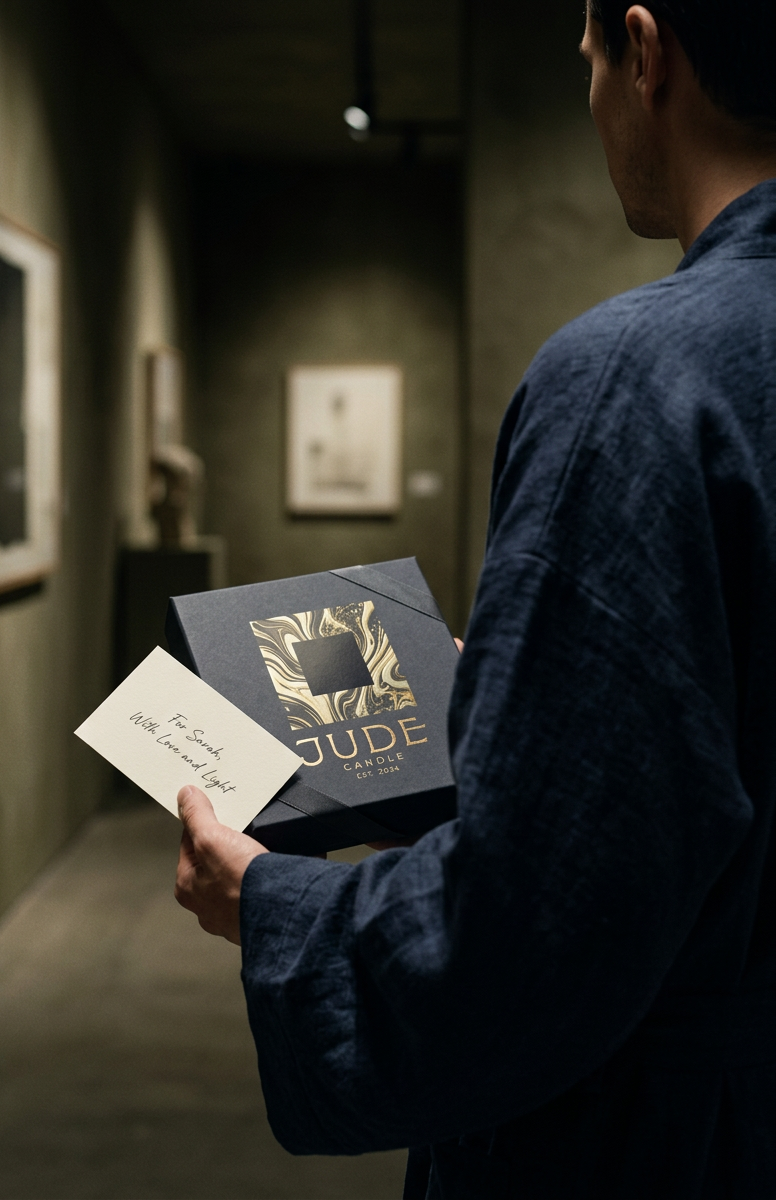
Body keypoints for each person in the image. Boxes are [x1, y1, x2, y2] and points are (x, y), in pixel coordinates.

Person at [174, 1, 776, 1195]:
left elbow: (526, 942)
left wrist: (271, 903)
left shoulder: (634, 379)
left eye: (590, 56)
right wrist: (525, 699)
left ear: (645, 54)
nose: (590, 89)